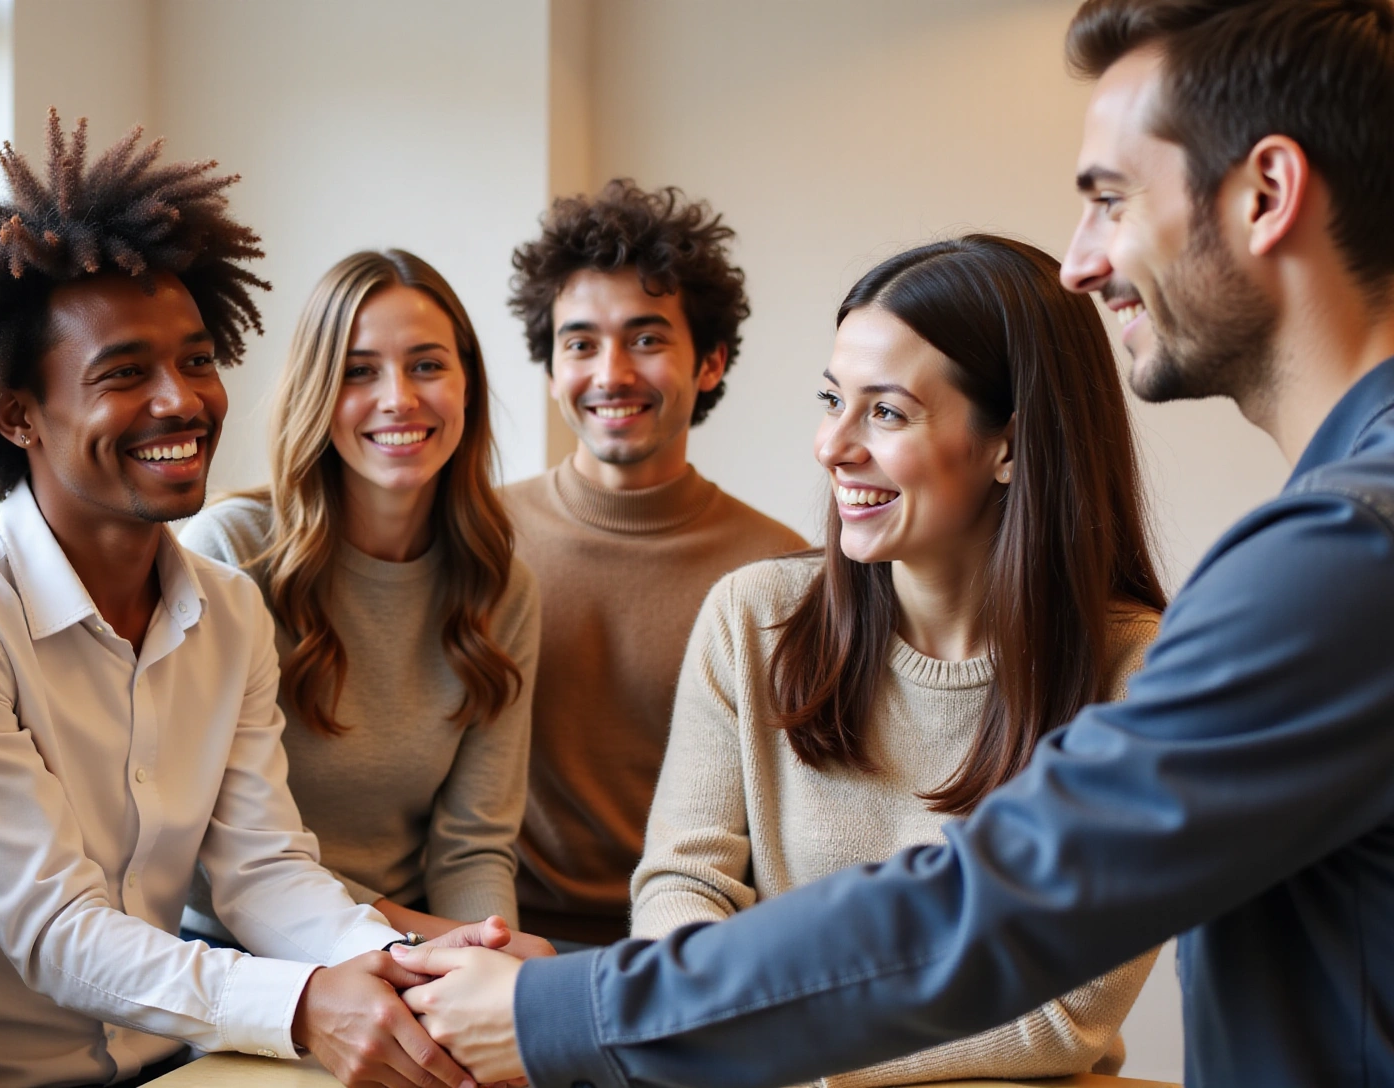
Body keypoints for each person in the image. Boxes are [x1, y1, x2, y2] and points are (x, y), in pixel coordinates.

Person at [394, 1, 1394, 1084]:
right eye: (835, 400)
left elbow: (994, 910)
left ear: (1267, 193)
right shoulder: (1345, 534)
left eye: (1110, 199)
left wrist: (571, 1012)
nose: (1081, 261)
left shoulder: (1343, 554)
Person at [0, 111, 507, 1088]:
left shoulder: (228, 610)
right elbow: (54, 930)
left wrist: (402, 963)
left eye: (197, 360)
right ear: (18, 414)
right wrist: (304, 1003)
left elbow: (262, 869)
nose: (181, 400)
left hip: (180, 1064)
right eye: (125, 373)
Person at [631, 235, 1164, 1086]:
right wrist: (719, 1039)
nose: (832, 445)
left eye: (885, 413)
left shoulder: (1139, 676)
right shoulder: (754, 619)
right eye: (832, 400)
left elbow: (1063, 1013)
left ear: (1011, 444)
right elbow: (682, 889)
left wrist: (778, 1049)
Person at [180, 249, 547, 952]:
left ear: (467, 384)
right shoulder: (229, 551)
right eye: (359, 371)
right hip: (246, 951)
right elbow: (207, 852)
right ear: (316, 389)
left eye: (427, 365)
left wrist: (489, 954)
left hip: (415, 943)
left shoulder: (502, 588)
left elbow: (472, 847)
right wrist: (428, 943)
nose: (399, 398)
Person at [500, 180, 807, 946]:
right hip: (501, 939)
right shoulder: (478, 537)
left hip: (695, 953)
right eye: (580, 344)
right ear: (550, 370)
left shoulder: (783, 573)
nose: (611, 374)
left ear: (709, 363)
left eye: (645, 340)